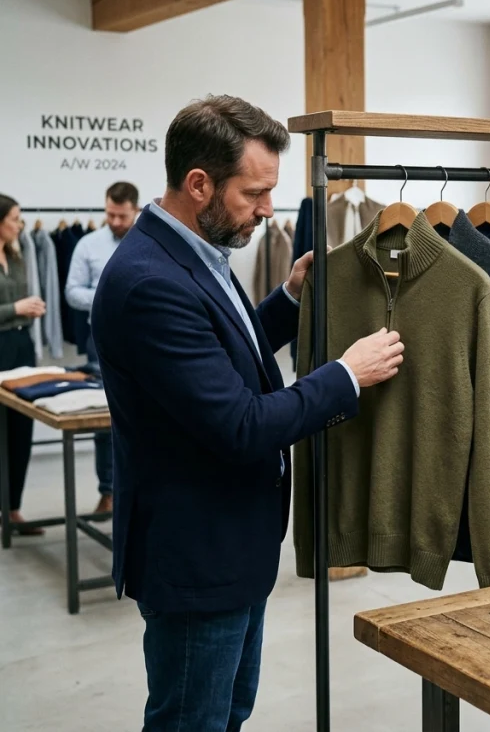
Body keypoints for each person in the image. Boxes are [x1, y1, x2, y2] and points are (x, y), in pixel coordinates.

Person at [91, 95, 404, 731]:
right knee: (192, 721)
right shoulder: (151, 281)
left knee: (227, 712)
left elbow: (221, 355)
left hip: (231, 548)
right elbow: (239, 424)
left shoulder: (191, 253)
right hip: (196, 559)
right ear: (199, 183)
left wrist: (288, 298)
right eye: (254, 193)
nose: (267, 210)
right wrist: (346, 374)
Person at [65, 181, 139, 515]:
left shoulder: (149, 242)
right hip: (103, 343)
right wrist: (111, 294)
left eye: (121, 215)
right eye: (110, 214)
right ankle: (108, 491)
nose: (115, 221)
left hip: (148, 341)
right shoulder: (88, 244)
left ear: (134, 210)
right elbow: (71, 292)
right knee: (105, 418)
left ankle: (143, 490)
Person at [0, 195, 46, 534]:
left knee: (21, 430)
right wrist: (17, 308)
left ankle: (13, 509)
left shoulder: (16, 253)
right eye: (15, 217)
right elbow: (13, 306)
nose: (20, 224)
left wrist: (29, 311)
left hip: (21, 345)